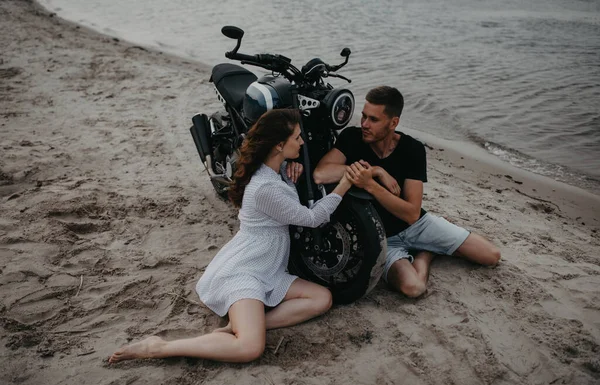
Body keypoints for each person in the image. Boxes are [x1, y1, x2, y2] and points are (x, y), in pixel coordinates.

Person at [109, 109, 353, 364]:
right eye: (297, 137)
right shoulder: (265, 188)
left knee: (322, 298)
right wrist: (345, 183)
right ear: (280, 145)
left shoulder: (271, 171)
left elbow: (283, 195)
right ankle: (159, 347)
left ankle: (242, 325)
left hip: (268, 269)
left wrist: (290, 172)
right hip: (245, 271)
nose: (302, 142)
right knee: (249, 348)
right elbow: (312, 218)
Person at [313, 86, 500, 298]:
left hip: (416, 226)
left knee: (490, 256)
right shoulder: (351, 138)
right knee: (414, 288)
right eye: (363, 116)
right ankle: (426, 254)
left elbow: (411, 213)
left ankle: (428, 244)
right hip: (381, 238)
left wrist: (369, 185)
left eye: (373, 120)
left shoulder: (412, 150)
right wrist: (375, 171)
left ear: (393, 123)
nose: (364, 124)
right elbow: (321, 173)